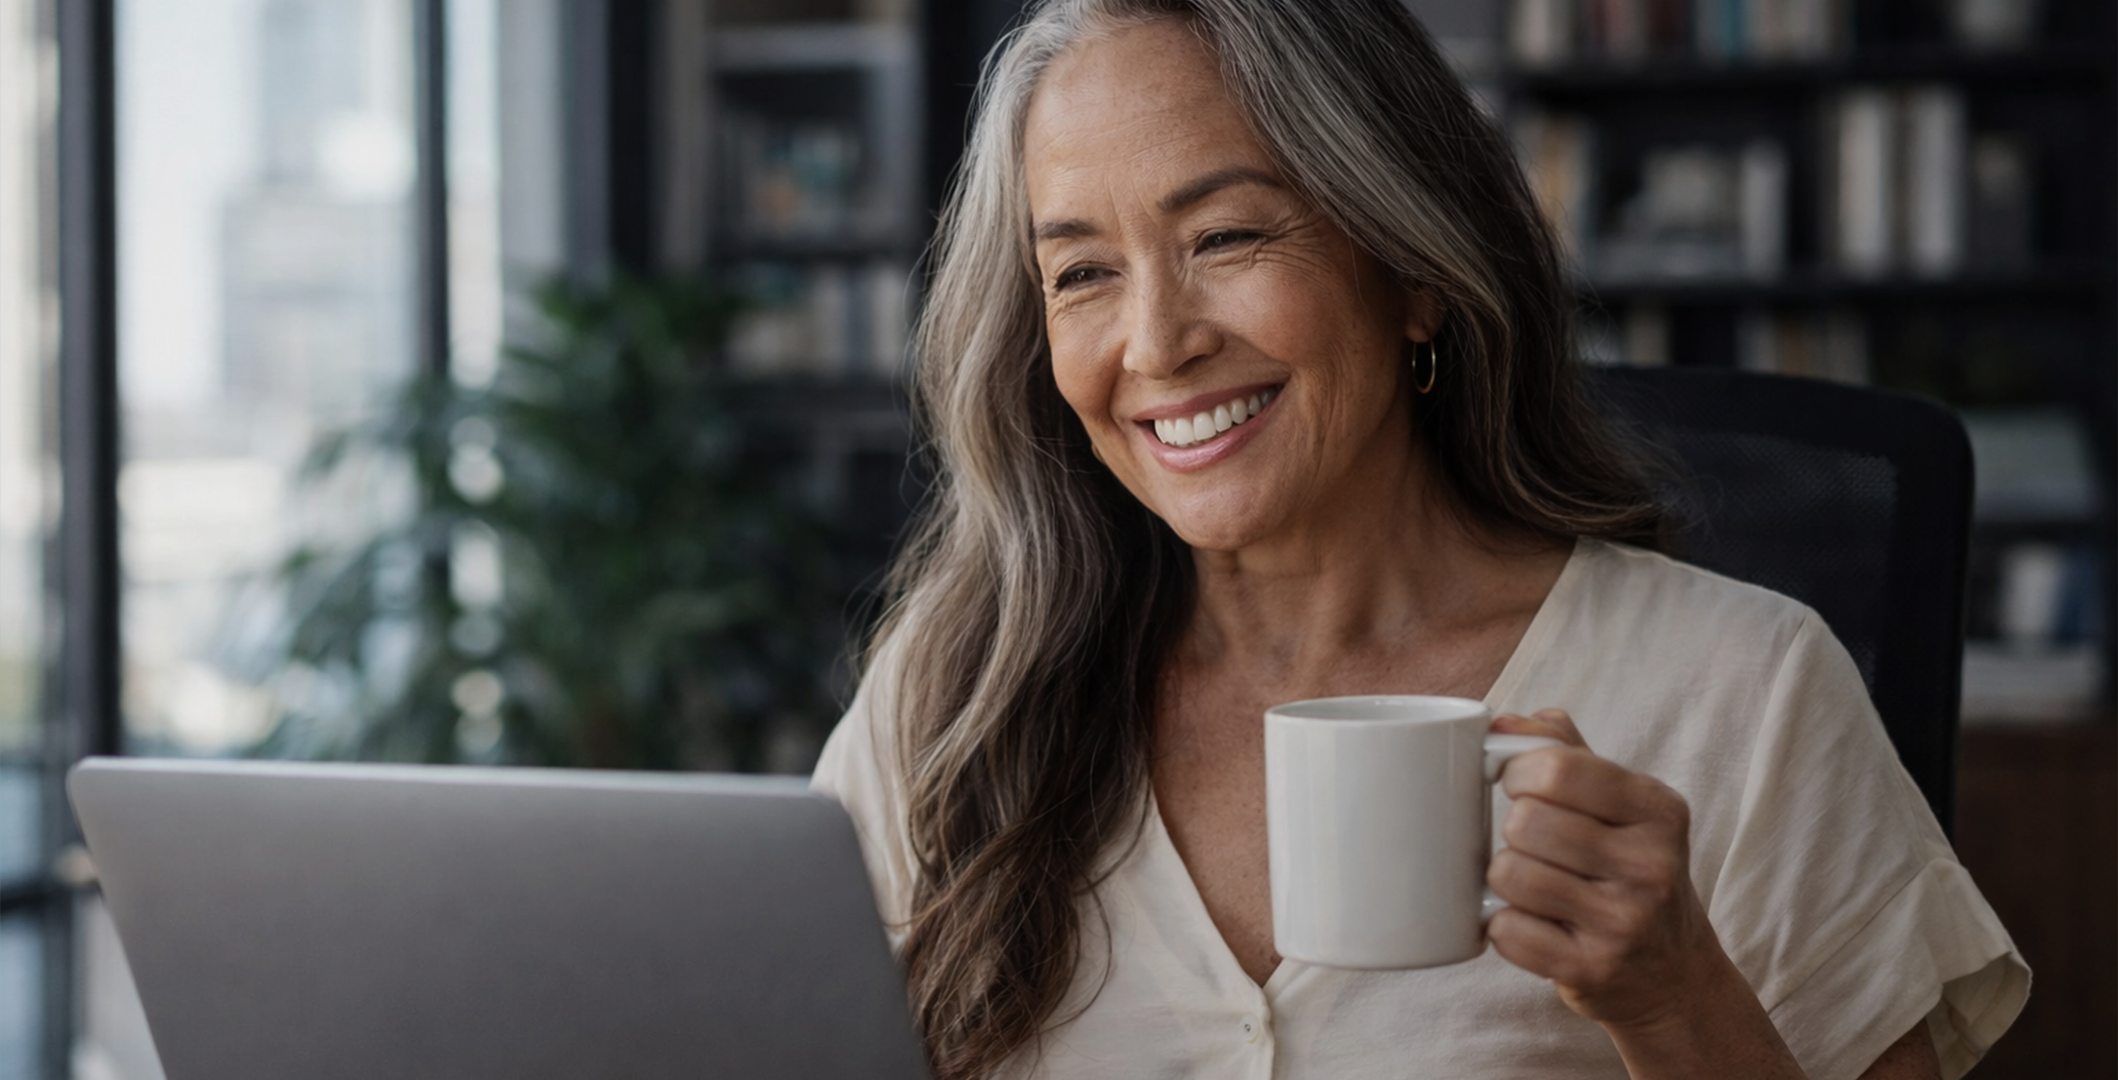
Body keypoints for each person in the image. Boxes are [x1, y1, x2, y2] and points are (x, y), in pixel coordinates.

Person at [811, 1, 2027, 1077]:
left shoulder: (1740, 691)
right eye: (1080, 273)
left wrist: (1676, 1000)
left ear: (1412, 269)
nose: (1156, 342)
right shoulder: (955, 692)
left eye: (1227, 238)